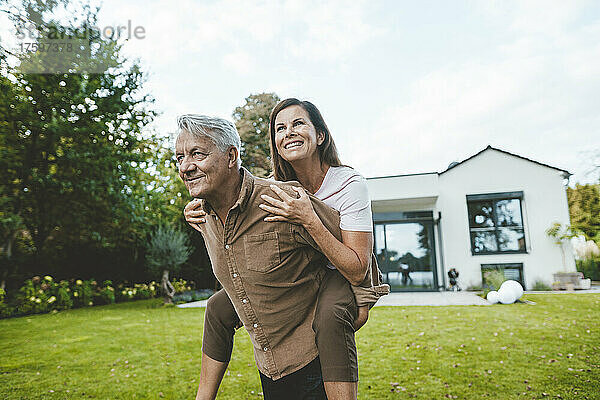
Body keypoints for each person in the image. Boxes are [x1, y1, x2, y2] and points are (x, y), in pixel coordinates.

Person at [185, 99, 389, 399]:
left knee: (329, 317)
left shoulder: (348, 183)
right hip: (306, 267)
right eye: (280, 128)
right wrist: (202, 208)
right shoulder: (279, 188)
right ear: (276, 144)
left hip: (339, 272)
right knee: (217, 307)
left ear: (320, 136)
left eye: (298, 124)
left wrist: (308, 218)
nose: (288, 132)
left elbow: (359, 264)